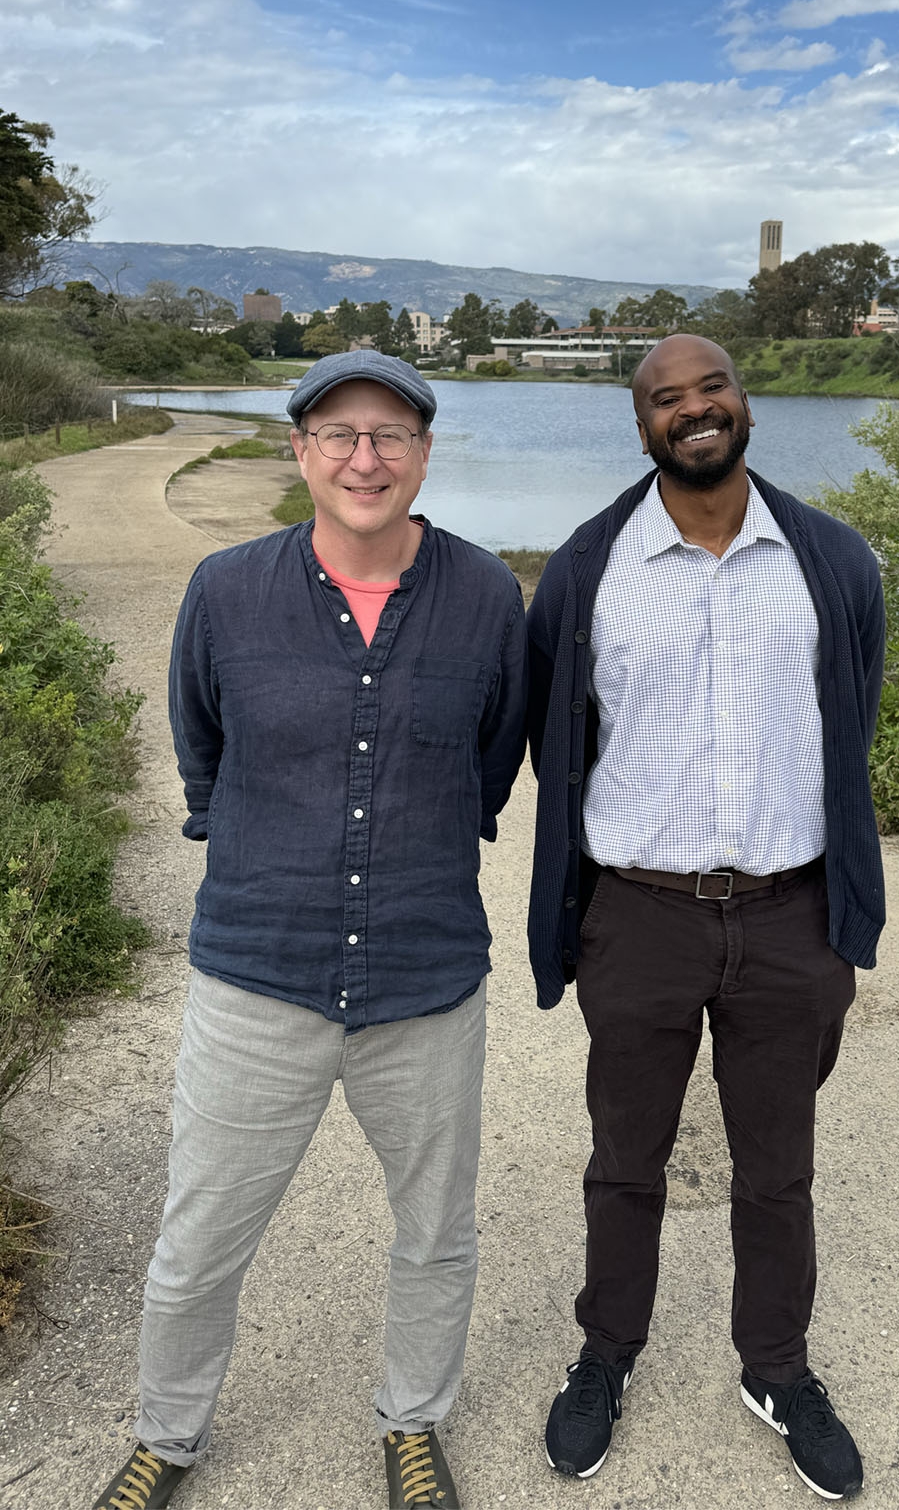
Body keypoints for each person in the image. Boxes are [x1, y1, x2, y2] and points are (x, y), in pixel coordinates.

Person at [90, 351, 527, 1510]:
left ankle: (414, 1421)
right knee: (199, 1238)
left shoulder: (488, 597)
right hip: (255, 976)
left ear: (426, 453)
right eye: (338, 434)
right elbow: (201, 747)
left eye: (390, 434)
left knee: (434, 1234)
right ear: (300, 452)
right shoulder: (227, 589)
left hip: (427, 978)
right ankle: (167, 1433)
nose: (364, 457)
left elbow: (493, 762)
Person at [526, 334, 885, 1502]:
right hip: (639, 917)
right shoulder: (587, 569)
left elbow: (852, 727)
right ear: (639, 427)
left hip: (790, 919)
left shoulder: (833, 561)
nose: (693, 410)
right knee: (625, 1160)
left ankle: (776, 1366)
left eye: (710, 388)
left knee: (778, 1168)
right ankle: (607, 1353)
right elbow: (559, 743)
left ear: (744, 401)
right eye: (664, 399)